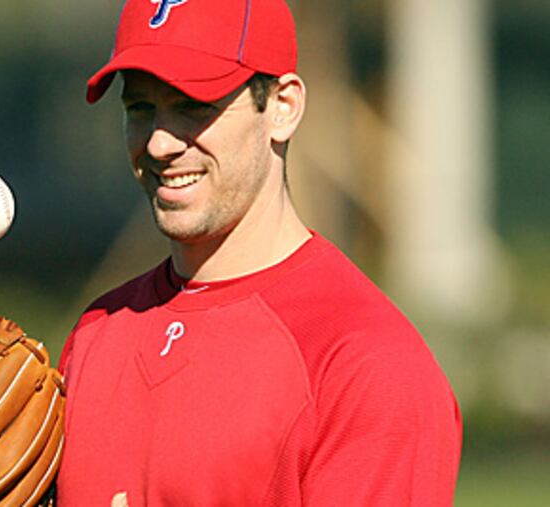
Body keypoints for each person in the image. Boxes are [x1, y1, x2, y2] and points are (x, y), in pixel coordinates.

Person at [56, 0, 462, 505]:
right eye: (140, 108)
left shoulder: (366, 365)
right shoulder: (97, 334)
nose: (160, 143)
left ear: (283, 107)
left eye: (193, 105)